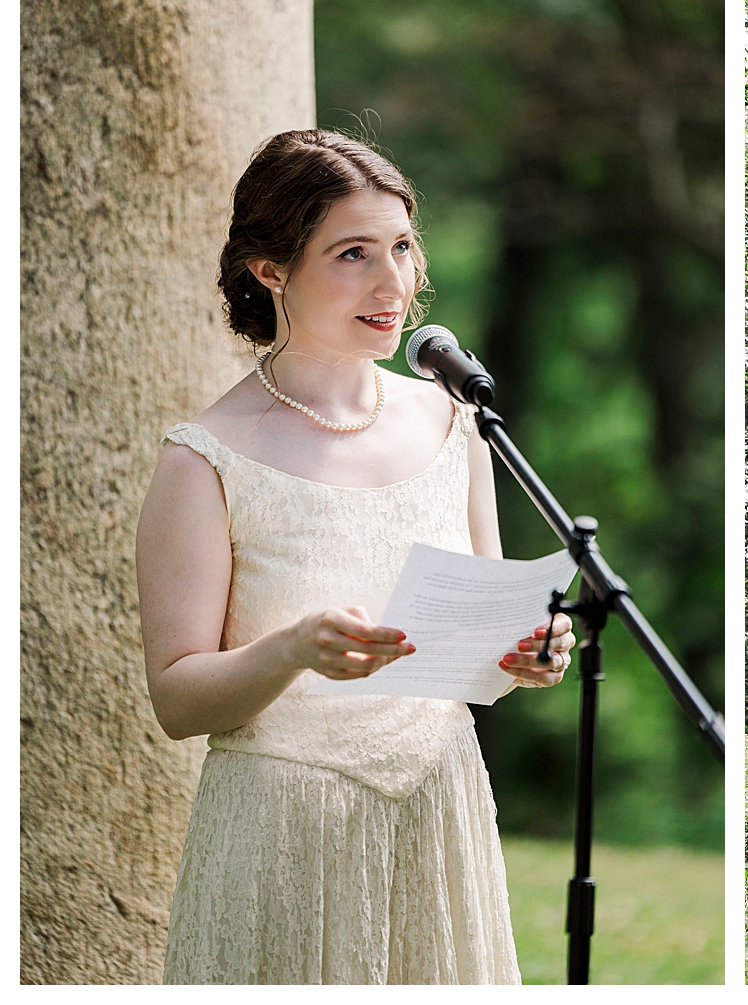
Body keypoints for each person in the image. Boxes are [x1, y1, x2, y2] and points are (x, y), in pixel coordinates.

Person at [138, 130, 573, 984]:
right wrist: (292, 647)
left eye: (403, 247)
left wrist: (529, 650)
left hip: (440, 807)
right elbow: (177, 697)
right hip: (281, 828)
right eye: (353, 253)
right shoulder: (203, 459)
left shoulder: (458, 424)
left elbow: (483, 622)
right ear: (270, 268)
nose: (394, 284)